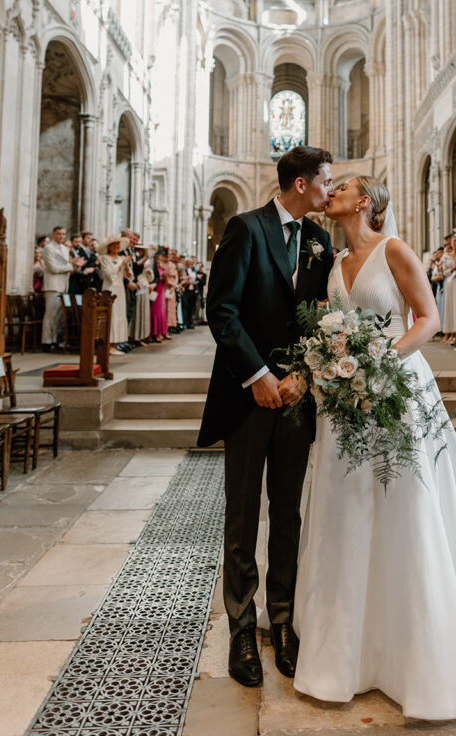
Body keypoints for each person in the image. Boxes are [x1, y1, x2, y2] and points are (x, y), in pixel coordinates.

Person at [283, 176, 456, 721]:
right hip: (344, 400)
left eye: (342, 188)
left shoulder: (394, 250)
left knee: (404, 504)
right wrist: (332, 365)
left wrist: (381, 359)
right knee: (346, 508)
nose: (329, 192)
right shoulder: (332, 264)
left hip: (396, 387)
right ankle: (345, 647)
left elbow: (427, 318)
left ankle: (414, 649)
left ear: (365, 203)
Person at [197, 145, 334, 688]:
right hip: (248, 393)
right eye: (325, 181)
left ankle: (282, 619)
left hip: (297, 395)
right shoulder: (245, 228)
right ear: (300, 184)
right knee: (243, 512)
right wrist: (259, 377)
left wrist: (304, 372)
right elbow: (221, 310)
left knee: (288, 512)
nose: (330, 189)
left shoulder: (320, 241)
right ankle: (239, 625)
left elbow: (323, 317)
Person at [41, 226, 84, 350]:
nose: (61, 236)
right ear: (53, 234)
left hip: (64, 285)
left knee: (59, 315)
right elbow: (53, 268)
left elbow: (66, 268)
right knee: (50, 314)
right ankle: (46, 341)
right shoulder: (48, 248)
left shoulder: (65, 249)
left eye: (64, 234)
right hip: (53, 286)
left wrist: (76, 266)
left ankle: (54, 340)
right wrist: (71, 265)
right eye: (59, 234)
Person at [98, 235, 131, 354]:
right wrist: (121, 266)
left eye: (118, 244)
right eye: (114, 244)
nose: (117, 247)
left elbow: (128, 276)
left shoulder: (122, 257)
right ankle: (108, 344)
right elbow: (108, 274)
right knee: (111, 315)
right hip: (110, 288)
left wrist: (127, 267)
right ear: (109, 246)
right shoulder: (105, 258)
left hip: (120, 288)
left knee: (119, 313)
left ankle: (116, 343)